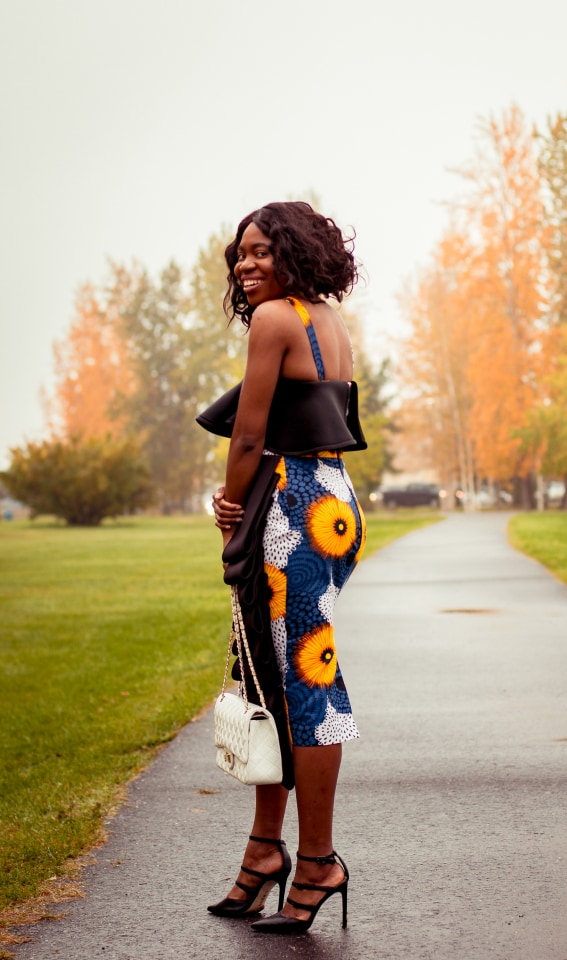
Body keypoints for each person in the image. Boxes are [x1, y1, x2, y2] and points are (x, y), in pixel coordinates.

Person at [201, 201, 367, 934]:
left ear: (295, 251)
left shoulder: (274, 323)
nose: (246, 264)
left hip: (289, 508)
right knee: (272, 679)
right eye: (240, 254)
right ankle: (265, 852)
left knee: (305, 687)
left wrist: (229, 504)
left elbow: (249, 435)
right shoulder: (328, 320)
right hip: (329, 501)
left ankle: (320, 860)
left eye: (263, 251)